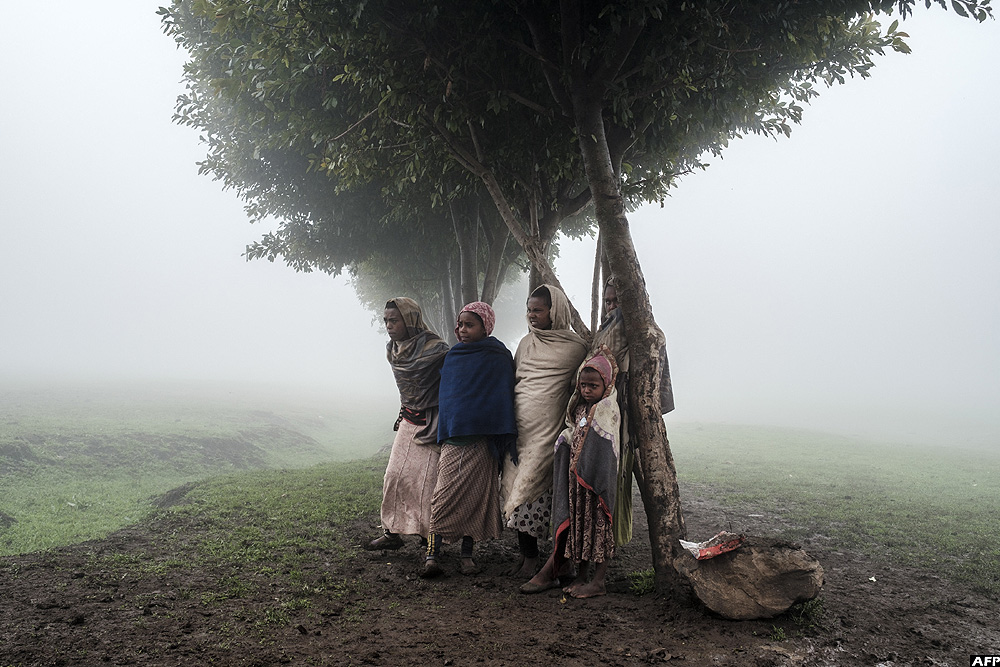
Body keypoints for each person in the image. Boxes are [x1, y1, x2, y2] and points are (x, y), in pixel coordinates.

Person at [423, 301, 518, 578]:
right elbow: (449, 399)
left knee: (476, 501)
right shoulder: (453, 357)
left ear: (485, 326)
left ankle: (467, 556)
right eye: (460, 325)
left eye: (469, 325)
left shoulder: (499, 356)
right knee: (441, 499)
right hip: (454, 439)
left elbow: (503, 397)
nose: (462, 330)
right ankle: (432, 554)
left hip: (484, 442)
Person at [520, 346, 620, 598]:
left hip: (596, 486)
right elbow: (573, 431)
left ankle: (598, 581)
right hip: (578, 484)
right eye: (583, 385)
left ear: (606, 384)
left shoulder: (607, 409)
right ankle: (582, 577)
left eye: (593, 386)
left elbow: (604, 447)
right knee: (582, 530)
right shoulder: (579, 408)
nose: (587, 390)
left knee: (599, 529)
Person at [502, 284, 587, 577]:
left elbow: (579, 388)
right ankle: (528, 556)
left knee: (534, 488)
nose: (532, 315)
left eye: (538, 310)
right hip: (521, 428)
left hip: (549, 431)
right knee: (515, 485)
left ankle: (554, 561)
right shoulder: (526, 344)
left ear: (556, 311)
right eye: (529, 310)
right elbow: (516, 380)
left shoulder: (576, 348)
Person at [592, 277, 674, 547]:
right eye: (608, 301)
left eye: (618, 301)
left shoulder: (644, 333)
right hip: (595, 417)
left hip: (621, 420)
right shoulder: (604, 330)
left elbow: (655, 344)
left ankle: (606, 546)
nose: (612, 307)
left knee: (613, 483)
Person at [365, 298, 450, 551]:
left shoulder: (437, 348)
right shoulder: (393, 349)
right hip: (408, 419)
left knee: (426, 484)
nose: (389, 325)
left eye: (394, 320)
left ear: (410, 319)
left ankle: (429, 539)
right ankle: (392, 533)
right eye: (386, 321)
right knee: (393, 476)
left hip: (431, 422)